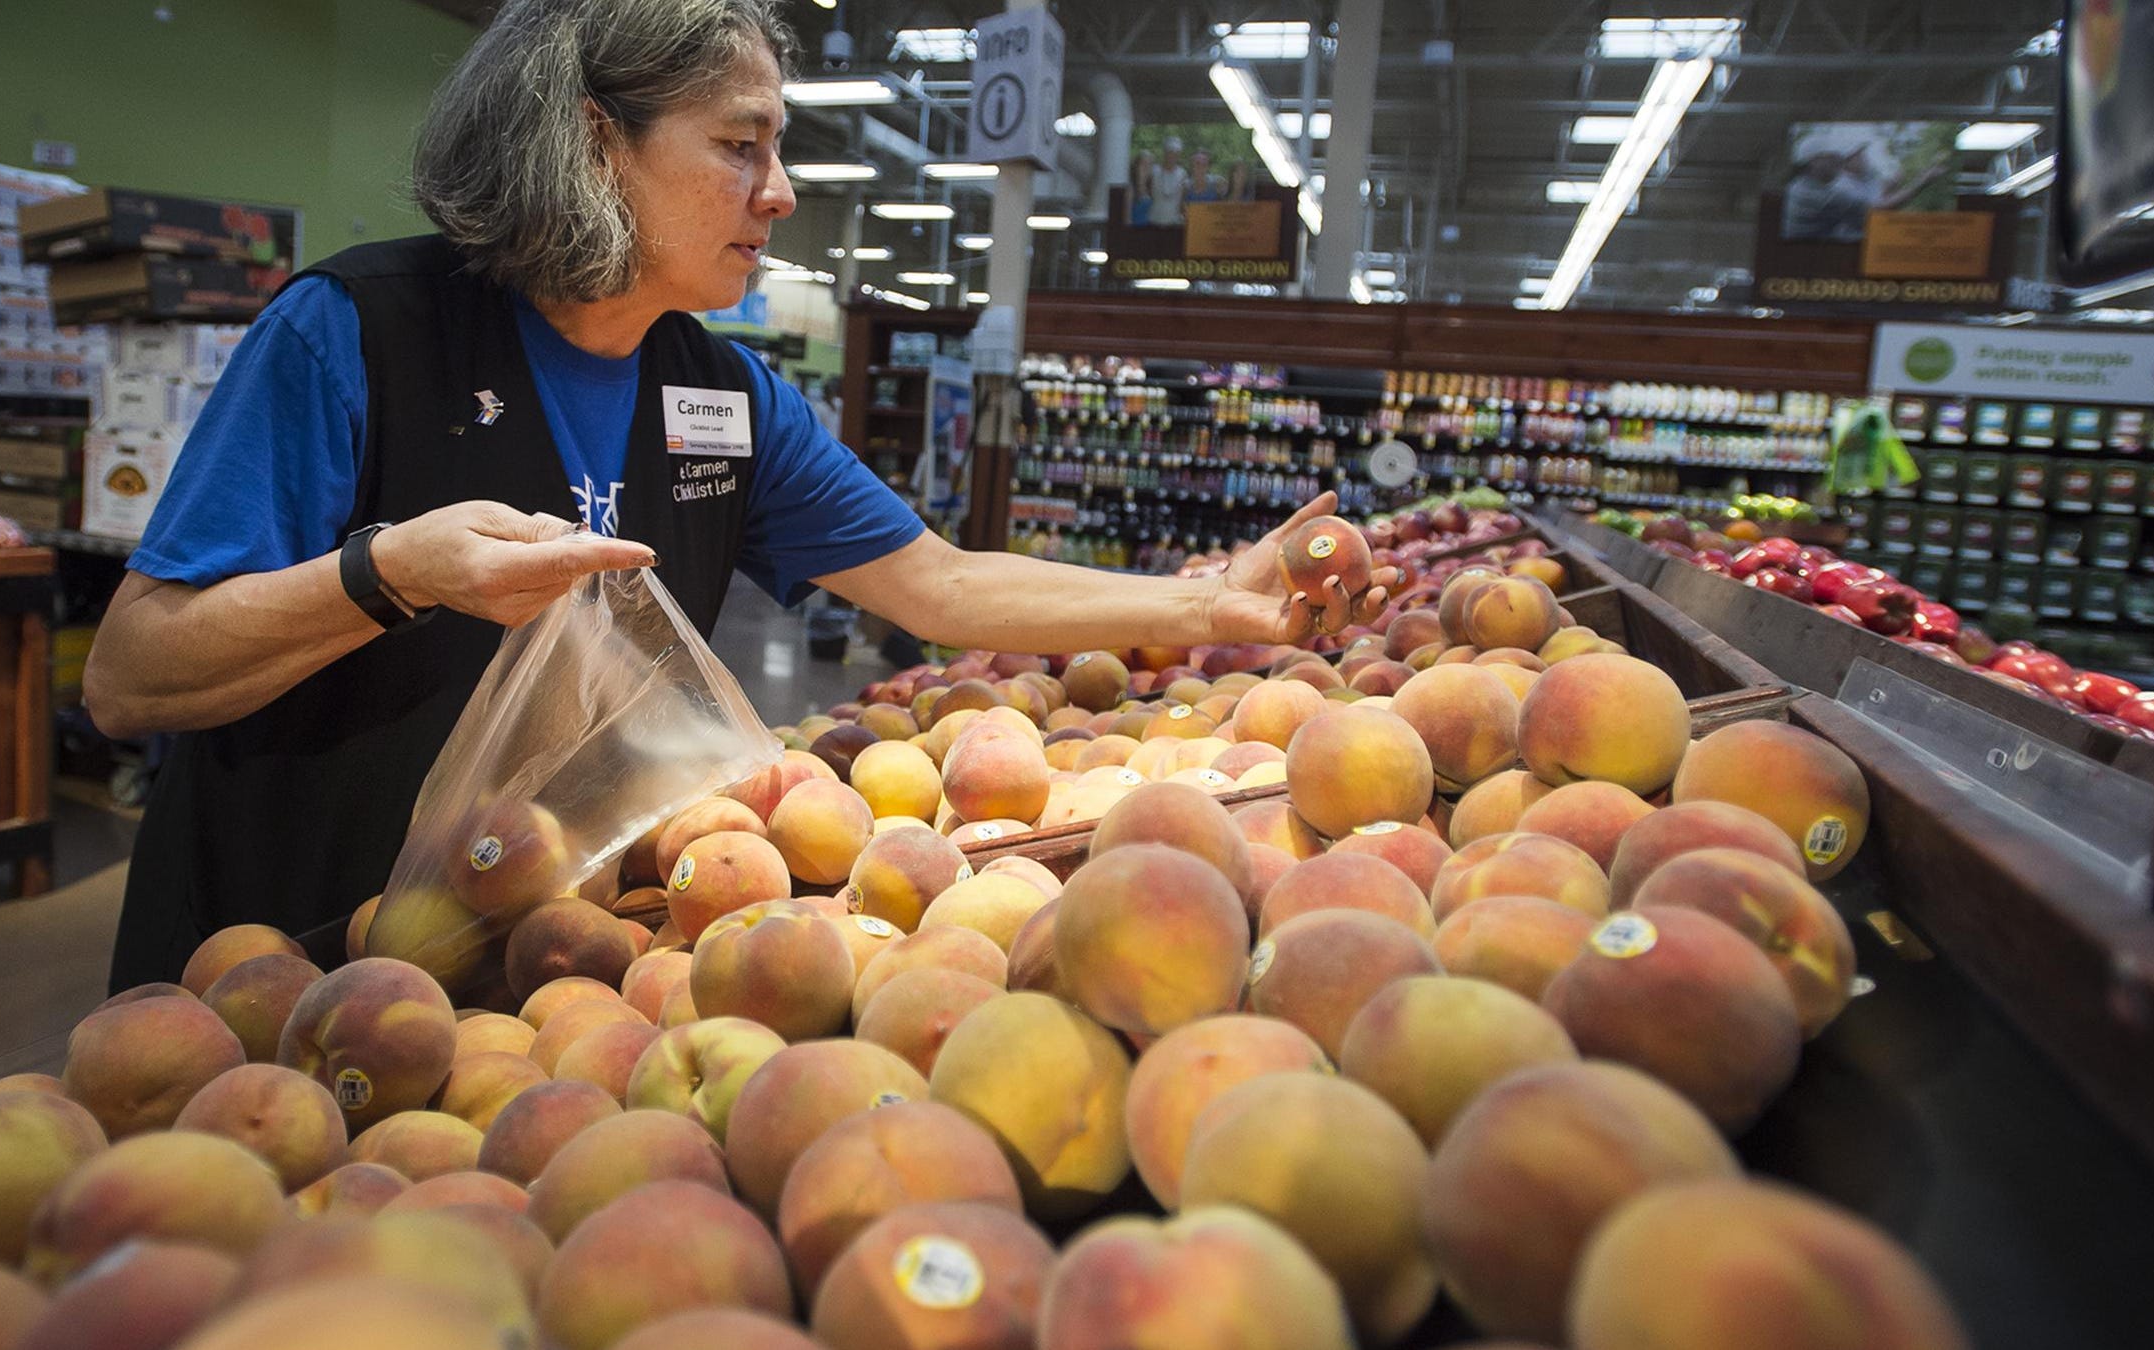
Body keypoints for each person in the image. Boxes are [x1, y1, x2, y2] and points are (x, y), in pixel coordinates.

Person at [82, 0, 1393, 992]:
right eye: (740, 147)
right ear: (595, 144)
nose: (783, 191)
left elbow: (933, 583)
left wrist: (1221, 598)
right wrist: (388, 573)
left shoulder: (721, 394)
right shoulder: (356, 331)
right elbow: (131, 673)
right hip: (282, 961)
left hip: (534, 970)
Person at [1149, 137, 1192, 226]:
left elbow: (1183, 198)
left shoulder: (1183, 173)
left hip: (1174, 222)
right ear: (1164, 152)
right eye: (1170, 151)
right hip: (1154, 220)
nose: (1172, 156)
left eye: (1176, 153)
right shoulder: (1153, 170)